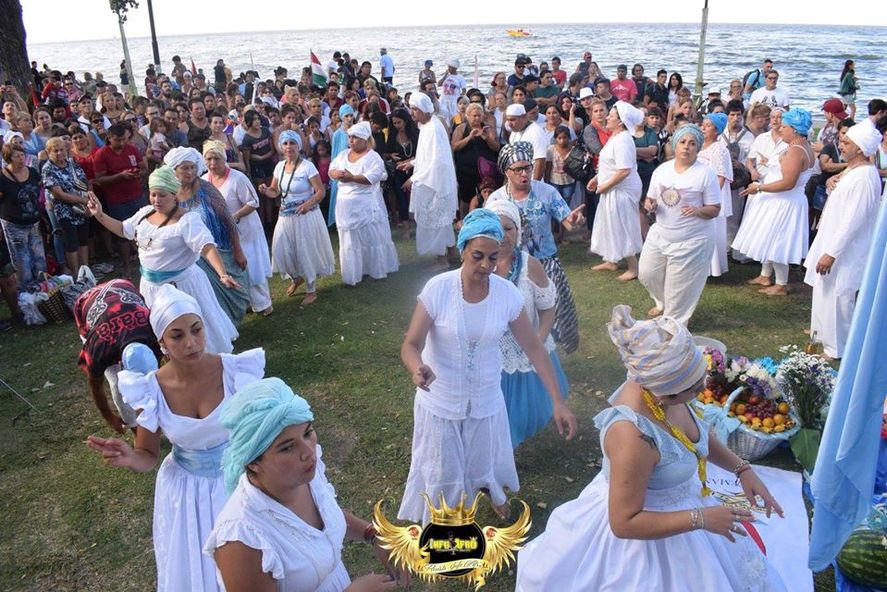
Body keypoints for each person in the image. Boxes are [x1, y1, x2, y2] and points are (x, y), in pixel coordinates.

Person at [516, 305, 786, 591]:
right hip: (645, 535)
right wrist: (701, 518)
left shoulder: (662, 387)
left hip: (687, 510)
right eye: (693, 387)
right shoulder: (632, 437)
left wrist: (742, 469)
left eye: (701, 378)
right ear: (664, 391)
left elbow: (697, 435)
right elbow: (623, 522)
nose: (703, 388)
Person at [398, 209, 577, 523]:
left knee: (484, 460)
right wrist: (417, 368)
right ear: (463, 249)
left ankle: (489, 489)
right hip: (441, 401)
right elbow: (411, 344)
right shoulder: (438, 289)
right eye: (477, 256)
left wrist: (557, 401)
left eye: (493, 258)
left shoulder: (506, 294)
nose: (485, 266)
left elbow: (534, 347)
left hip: (486, 400)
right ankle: (445, 526)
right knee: (444, 469)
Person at [85, 284, 265, 592]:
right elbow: (148, 455)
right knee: (200, 571)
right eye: (177, 336)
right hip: (186, 494)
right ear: (162, 343)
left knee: (249, 567)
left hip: (237, 483)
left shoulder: (235, 370)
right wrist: (130, 456)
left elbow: (259, 432)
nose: (191, 343)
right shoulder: (151, 389)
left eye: (196, 330)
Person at [204, 377, 407, 591]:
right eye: (287, 447)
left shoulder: (304, 472)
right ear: (253, 462)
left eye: (308, 432)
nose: (308, 451)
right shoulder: (242, 539)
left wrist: (372, 534)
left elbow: (325, 515)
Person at [88, 166, 240, 354]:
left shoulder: (187, 220)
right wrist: (99, 215)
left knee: (189, 329)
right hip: (151, 286)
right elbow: (122, 229)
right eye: (153, 195)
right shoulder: (144, 213)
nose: (156, 200)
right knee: (162, 332)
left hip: (181, 286)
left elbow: (206, 247)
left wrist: (222, 273)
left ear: (174, 194)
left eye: (162, 195)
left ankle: (205, 363)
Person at [487, 142, 584, 354]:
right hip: (510, 267)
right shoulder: (496, 200)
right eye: (518, 169)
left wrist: (574, 221)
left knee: (552, 312)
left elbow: (566, 220)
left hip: (546, 264)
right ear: (506, 172)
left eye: (528, 167)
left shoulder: (546, 192)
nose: (525, 173)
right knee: (516, 315)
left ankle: (546, 355)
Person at [486, 199, 568, 448]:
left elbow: (547, 308)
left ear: (518, 230)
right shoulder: (478, 265)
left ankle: (506, 449)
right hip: (491, 353)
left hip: (530, 349)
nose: (502, 236)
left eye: (508, 228)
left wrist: (539, 340)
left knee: (518, 413)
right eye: (495, 229)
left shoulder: (529, 265)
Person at [804, 122, 882, 361]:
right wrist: (830, 183)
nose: (841, 144)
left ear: (860, 149)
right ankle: (822, 334)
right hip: (831, 238)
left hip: (845, 248)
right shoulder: (853, 171)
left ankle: (837, 348)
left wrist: (832, 252)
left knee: (839, 297)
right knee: (824, 291)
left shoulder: (865, 177)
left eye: (847, 143)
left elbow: (852, 220)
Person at [638, 125, 721, 325]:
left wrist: (698, 210)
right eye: (683, 142)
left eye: (692, 144)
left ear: (698, 148)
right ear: (675, 145)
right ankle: (662, 302)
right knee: (647, 273)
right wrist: (650, 204)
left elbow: (715, 209)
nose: (686, 147)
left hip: (692, 240)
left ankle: (674, 323)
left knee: (679, 287)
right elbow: (649, 199)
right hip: (661, 233)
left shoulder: (705, 174)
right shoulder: (662, 170)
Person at [734, 108, 815, 296]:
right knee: (770, 236)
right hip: (782, 201)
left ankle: (781, 283)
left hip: (784, 202)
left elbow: (788, 183)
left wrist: (759, 188)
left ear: (794, 129)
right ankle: (765, 274)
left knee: (779, 239)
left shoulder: (796, 151)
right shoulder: (800, 146)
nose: (780, 129)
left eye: (784, 127)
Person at [166, 147, 251, 324]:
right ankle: (218, 326)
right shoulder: (169, 194)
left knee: (235, 292)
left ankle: (228, 322)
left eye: (192, 167)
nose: (189, 172)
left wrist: (238, 250)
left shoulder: (207, 190)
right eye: (184, 168)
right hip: (192, 256)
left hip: (220, 248)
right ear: (174, 170)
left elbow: (227, 219)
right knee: (206, 294)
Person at [74, 278, 161, 433]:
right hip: (86, 303)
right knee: (116, 383)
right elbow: (96, 387)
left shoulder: (156, 331)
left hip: (123, 286)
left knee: (155, 384)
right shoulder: (99, 348)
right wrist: (109, 417)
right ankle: (136, 430)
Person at [259, 131, 335, 305]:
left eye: (292, 143)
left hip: (305, 216)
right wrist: (265, 190)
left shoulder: (307, 166)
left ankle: (311, 289)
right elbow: (275, 191)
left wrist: (308, 204)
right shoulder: (279, 166)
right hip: (285, 216)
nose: (288, 147)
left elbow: (321, 191)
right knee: (281, 251)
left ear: (298, 146)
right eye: (285, 144)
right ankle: (296, 278)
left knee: (304, 251)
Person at [202, 140, 273, 316]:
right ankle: (245, 300)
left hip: (246, 231)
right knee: (233, 268)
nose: (212, 163)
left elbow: (253, 202)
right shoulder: (204, 181)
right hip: (223, 236)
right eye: (209, 159)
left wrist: (235, 216)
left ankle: (264, 304)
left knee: (252, 266)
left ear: (224, 159)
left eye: (216, 159)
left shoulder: (237, 178)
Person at [329, 122, 399, 286]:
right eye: (350, 137)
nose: (351, 140)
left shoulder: (373, 157)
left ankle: (375, 268)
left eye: (355, 137)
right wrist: (337, 173)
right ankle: (356, 271)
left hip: (365, 203)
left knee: (370, 237)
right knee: (350, 239)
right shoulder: (343, 155)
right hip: (345, 204)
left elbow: (372, 178)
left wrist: (352, 177)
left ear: (364, 139)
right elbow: (331, 170)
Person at [400, 93, 458, 271]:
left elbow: (437, 161)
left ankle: (442, 260)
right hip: (433, 181)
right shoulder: (426, 126)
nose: (412, 113)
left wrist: (414, 177)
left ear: (425, 110)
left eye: (416, 109)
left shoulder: (433, 128)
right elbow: (427, 156)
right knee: (442, 220)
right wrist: (412, 163)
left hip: (436, 184)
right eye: (412, 108)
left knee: (436, 219)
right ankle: (452, 253)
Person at [588, 102, 644, 282]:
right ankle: (611, 260)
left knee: (622, 225)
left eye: (611, 116)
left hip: (622, 190)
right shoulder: (615, 136)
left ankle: (634, 267)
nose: (607, 117)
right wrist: (597, 179)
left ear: (620, 122)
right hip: (611, 187)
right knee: (609, 224)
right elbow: (608, 164)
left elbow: (624, 170)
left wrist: (605, 186)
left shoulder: (624, 140)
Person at [92, 122, 148, 276]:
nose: (122, 143)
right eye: (118, 140)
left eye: (124, 139)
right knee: (122, 234)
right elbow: (99, 180)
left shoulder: (131, 149)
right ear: (109, 138)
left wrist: (138, 173)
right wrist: (120, 176)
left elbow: (144, 168)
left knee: (144, 228)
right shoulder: (101, 154)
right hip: (118, 200)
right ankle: (127, 267)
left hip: (137, 195)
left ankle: (147, 260)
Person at [42, 136, 91, 274]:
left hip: (82, 208)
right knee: (71, 244)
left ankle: (86, 272)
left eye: (62, 150)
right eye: (55, 151)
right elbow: (60, 194)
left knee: (83, 241)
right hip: (64, 211)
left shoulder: (71, 162)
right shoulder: (48, 168)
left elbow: (84, 181)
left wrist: (89, 202)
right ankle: (76, 274)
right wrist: (83, 201)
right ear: (48, 152)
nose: (59, 153)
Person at [0, 143, 45, 288]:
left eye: (22, 155)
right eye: (16, 156)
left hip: (34, 221)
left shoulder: (32, 171)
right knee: (22, 259)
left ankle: (45, 289)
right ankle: (26, 292)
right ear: (8, 158)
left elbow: (38, 187)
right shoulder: (2, 177)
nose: (21, 159)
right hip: (14, 224)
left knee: (39, 257)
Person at [697, 113, 733, 277]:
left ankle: (713, 268)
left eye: (708, 126)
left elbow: (721, 175)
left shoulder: (719, 149)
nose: (703, 128)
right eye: (703, 124)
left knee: (712, 229)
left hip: (712, 194)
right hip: (700, 191)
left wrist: (711, 199)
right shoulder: (700, 145)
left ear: (717, 130)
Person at [451, 102, 500, 219]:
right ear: (467, 116)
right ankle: (464, 220)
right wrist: (469, 138)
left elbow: (496, 147)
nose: (477, 118)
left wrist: (486, 138)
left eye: (479, 115)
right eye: (474, 116)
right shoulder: (461, 128)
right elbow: (454, 146)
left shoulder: (488, 129)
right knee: (466, 197)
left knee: (487, 195)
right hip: (466, 171)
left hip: (485, 171)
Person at [437, 58, 466, 125]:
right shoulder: (447, 76)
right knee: (445, 118)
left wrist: (461, 97)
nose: (448, 69)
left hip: (454, 101)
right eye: (448, 67)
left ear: (455, 68)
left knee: (456, 118)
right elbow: (439, 84)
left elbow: (464, 89)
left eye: (450, 67)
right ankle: (447, 131)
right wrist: (445, 75)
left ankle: (457, 129)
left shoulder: (460, 77)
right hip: (444, 100)